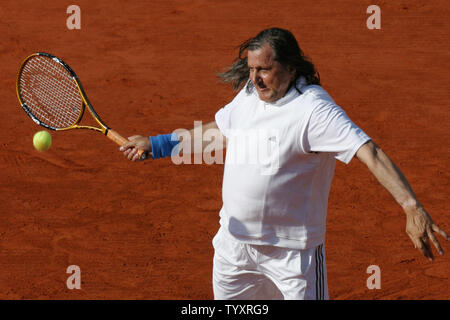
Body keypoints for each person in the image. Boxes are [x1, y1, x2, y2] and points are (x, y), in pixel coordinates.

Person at [120, 28, 448, 300]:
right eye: (251, 70)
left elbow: (370, 152)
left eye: (264, 70)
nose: (255, 79)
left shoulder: (315, 111)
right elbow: (222, 131)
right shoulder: (251, 94)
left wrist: (411, 207)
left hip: (292, 256)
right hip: (235, 249)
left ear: (291, 68)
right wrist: (159, 144)